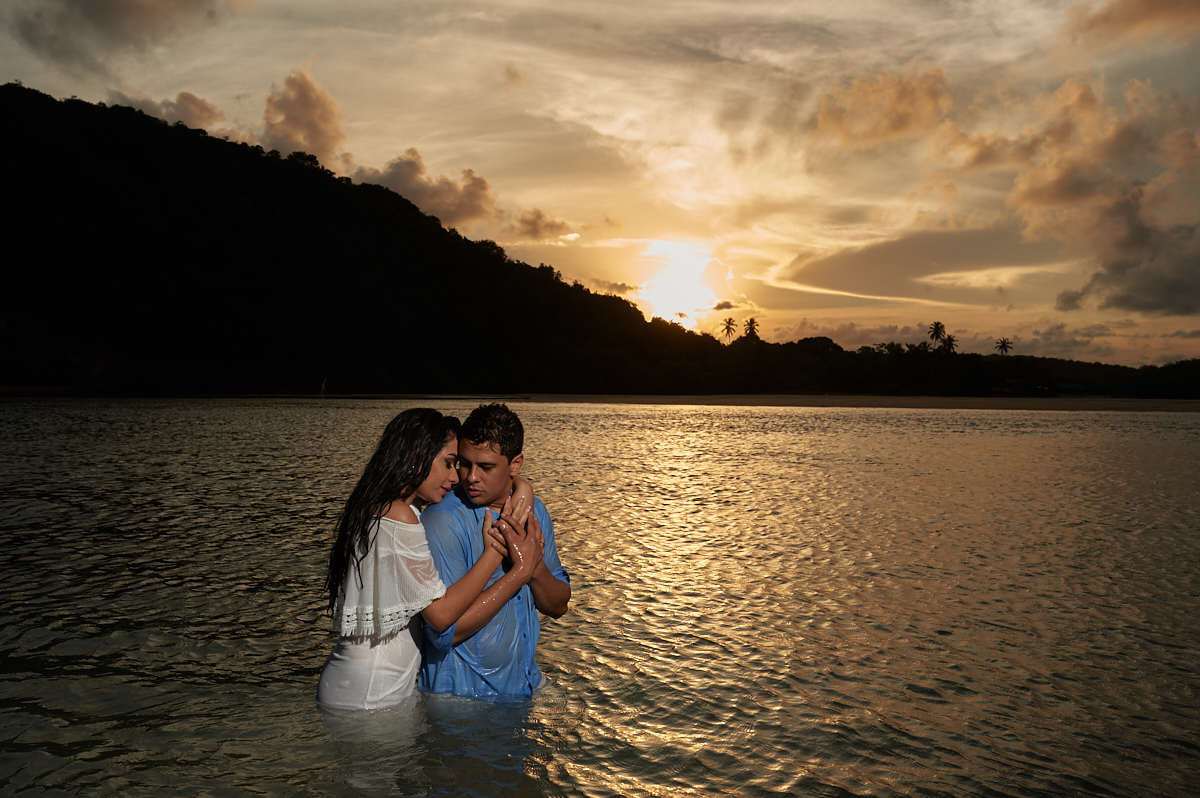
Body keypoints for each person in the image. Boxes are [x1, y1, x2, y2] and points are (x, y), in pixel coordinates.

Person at [316, 408, 542, 711]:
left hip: (360, 684)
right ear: (418, 456)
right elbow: (441, 616)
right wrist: (496, 553)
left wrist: (523, 487)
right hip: (371, 694)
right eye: (449, 463)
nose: (455, 477)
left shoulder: (378, 508)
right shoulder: (399, 516)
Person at [419, 403, 571, 699]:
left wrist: (533, 568)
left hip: (524, 685)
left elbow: (559, 605)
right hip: (461, 699)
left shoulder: (534, 510)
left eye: (486, 467)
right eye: (464, 463)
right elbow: (443, 632)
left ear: (515, 465)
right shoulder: (442, 520)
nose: (471, 477)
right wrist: (519, 574)